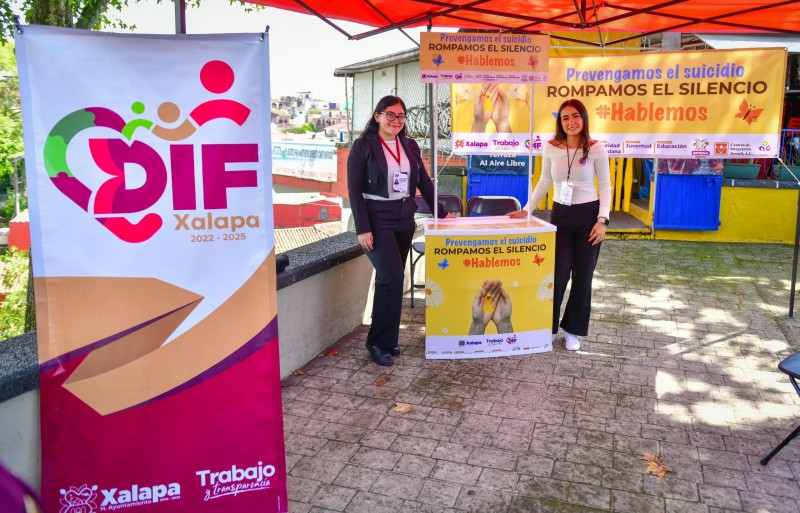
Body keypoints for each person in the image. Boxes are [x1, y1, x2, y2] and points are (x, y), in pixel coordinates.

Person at [348, 95, 454, 366]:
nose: (396, 120)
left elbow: (424, 183)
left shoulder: (409, 145)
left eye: (401, 116)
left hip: (405, 216)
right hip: (377, 217)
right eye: (390, 115)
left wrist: (441, 213)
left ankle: (388, 339)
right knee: (393, 276)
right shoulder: (363, 146)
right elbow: (354, 190)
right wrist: (362, 228)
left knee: (389, 279)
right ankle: (377, 342)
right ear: (377, 116)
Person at [508, 99, 611, 351]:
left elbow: (605, 186)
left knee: (583, 276)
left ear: (583, 118)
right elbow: (544, 181)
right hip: (561, 216)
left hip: (589, 217)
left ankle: (572, 330)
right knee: (558, 274)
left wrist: (602, 220)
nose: (571, 122)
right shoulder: (551, 147)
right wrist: (527, 209)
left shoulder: (596, 148)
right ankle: (549, 327)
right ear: (560, 122)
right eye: (565, 118)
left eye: (575, 116)